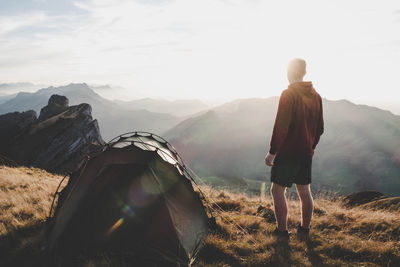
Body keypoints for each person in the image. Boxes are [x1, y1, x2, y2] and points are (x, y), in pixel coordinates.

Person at [265, 58, 324, 238]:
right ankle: (304, 229)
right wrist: (310, 147)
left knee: (277, 190)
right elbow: (320, 128)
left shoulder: (288, 94)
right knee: (304, 191)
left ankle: (282, 231)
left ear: (289, 72)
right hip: (306, 152)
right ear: (304, 72)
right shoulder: (316, 96)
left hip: (288, 152)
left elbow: (281, 127)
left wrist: (272, 152)